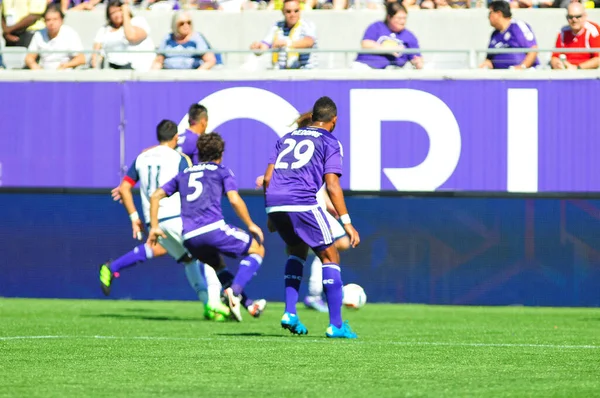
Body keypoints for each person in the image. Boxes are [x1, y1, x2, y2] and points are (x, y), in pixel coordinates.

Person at [99, 120, 232, 321]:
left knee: (188, 260)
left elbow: (125, 187)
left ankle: (208, 305)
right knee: (209, 253)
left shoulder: (141, 158)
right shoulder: (180, 158)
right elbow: (189, 187)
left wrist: (134, 218)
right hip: (176, 215)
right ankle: (214, 302)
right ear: (176, 137)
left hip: (154, 221)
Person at [263, 96, 360, 339]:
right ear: (334, 120)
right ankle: (336, 326)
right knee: (330, 256)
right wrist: (347, 222)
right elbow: (332, 184)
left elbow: (267, 178)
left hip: (275, 202)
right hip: (302, 203)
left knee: (297, 250)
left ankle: (290, 313)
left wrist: (270, 213)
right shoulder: (330, 141)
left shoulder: (286, 138)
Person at [149, 133, 266, 322]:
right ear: (220, 153)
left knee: (218, 265)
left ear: (199, 153)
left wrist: (154, 226)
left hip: (189, 237)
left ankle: (249, 304)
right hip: (212, 229)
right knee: (258, 249)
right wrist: (251, 224)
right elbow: (234, 199)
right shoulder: (222, 171)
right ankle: (234, 292)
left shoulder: (183, 174)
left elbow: (155, 196)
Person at [249, 0, 317, 70]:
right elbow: (265, 45)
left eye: (296, 11)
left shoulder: (308, 25)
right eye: (288, 11)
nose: (292, 14)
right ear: (283, 12)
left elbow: (309, 42)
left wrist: (287, 43)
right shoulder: (277, 26)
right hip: (282, 74)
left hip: (306, 73)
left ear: (300, 10)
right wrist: (258, 47)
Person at [353, 3, 423, 70]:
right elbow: (365, 44)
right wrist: (388, 49)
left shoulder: (409, 36)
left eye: (404, 18)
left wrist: (417, 63)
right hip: (367, 65)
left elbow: (416, 58)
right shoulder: (377, 26)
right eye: (399, 18)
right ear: (389, 17)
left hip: (392, 71)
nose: (402, 21)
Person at [91, 0, 155, 71]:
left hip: (136, 69)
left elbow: (131, 37)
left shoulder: (138, 21)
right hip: (111, 69)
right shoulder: (104, 29)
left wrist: (125, 13)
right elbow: (96, 53)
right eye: (113, 13)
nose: (117, 15)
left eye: (119, 10)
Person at [479, 0, 539, 70]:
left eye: (490, 13)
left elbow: (533, 49)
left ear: (499, 13)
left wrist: (523, 66)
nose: (488, 17)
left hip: (523, 74)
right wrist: (486, 65)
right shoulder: (495, 34)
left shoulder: (518, 26)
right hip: (500, 76)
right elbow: (489, 59)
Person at [25, 4, 85, 71]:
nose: (51, 23)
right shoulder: (39, 34)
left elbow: (81, 59)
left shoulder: (70, 33)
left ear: (62, 21)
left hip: (66, 74)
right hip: (44, 74)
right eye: (48, 20)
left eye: (55, 19)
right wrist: (35, 67)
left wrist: (66, 65)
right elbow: (29, 58)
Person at [151, 11, 216, 71]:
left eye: (189, 22)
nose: (186, 26)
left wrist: (196, 75)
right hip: (169, 75)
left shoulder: (197, 38)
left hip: (191, 76)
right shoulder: (167, 38)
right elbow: (158, 61)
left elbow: (210, 61)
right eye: (181, 23)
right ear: (175, 25)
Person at [550, 3, 600, 70]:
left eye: (578, 16)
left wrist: (577, 68)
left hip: (587, 72)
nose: (574, 20)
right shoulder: (563, 32)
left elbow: (597, 59)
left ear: (585, 16)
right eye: (570, 17)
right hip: (566, 71)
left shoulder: (592, 31)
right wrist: (558, 64)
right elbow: (554, 57)